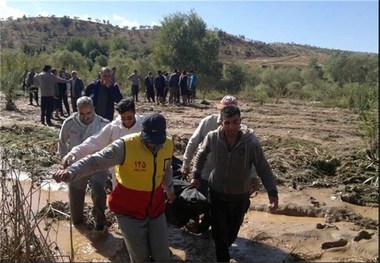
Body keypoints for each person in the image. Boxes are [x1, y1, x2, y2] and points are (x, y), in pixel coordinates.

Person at [53, 113, 176, 262]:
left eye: (156, 142)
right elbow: (95, 161)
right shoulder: (125, 145)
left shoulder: (168, 144)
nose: (152, 145)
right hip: (129, 211)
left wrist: (169, 189)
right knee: (140, 258)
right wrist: (71, 172)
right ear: (142, 132)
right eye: (149, 140)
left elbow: (167, 168)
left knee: (163, 257)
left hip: (155, 208)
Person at [190, 105, 279, 262]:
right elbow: (200, 154)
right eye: (227, 123)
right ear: (221, 123)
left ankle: (221, 247)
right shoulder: (212, 137)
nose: (231, 126)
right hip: (216, 194)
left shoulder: (251, 142)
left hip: (239, 197)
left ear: (240, 122)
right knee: (220, 237)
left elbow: (263, 167)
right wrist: (195, 174)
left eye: (235, 122)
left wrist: (272, 192)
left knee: (230, 235)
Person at [182, 95, 258, 233]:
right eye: (225, 109)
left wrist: (252, 176)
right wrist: (186, 163)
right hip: (205, 172)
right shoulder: (208, 122)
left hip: (224, 177)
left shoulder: (241, 130)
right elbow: (193, 143)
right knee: (199, 202)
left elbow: (249, 156)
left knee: (215, 207)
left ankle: (208, 229)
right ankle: (194, 224)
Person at [61, 99, 144, 189]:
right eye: (123, 118)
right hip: (119, 173)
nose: (127, 121)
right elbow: (94, 142)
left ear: (134, 112)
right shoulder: (114, 127)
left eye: (129, 118)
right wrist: (74, 153)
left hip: (140, 169)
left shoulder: (144, 125)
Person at [58, 96, 110, 231]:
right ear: (77, 111)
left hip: (98, 164)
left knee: (98, 190)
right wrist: (65, 160)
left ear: (94, 110)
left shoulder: (104, 124)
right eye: (82, 113)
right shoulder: (69, 123)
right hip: (76, 165)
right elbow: (62, 142)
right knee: (75, 195)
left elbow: (113, 145)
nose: (86, 117)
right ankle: (78, 224)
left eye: (89, 113)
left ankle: (100, 223)